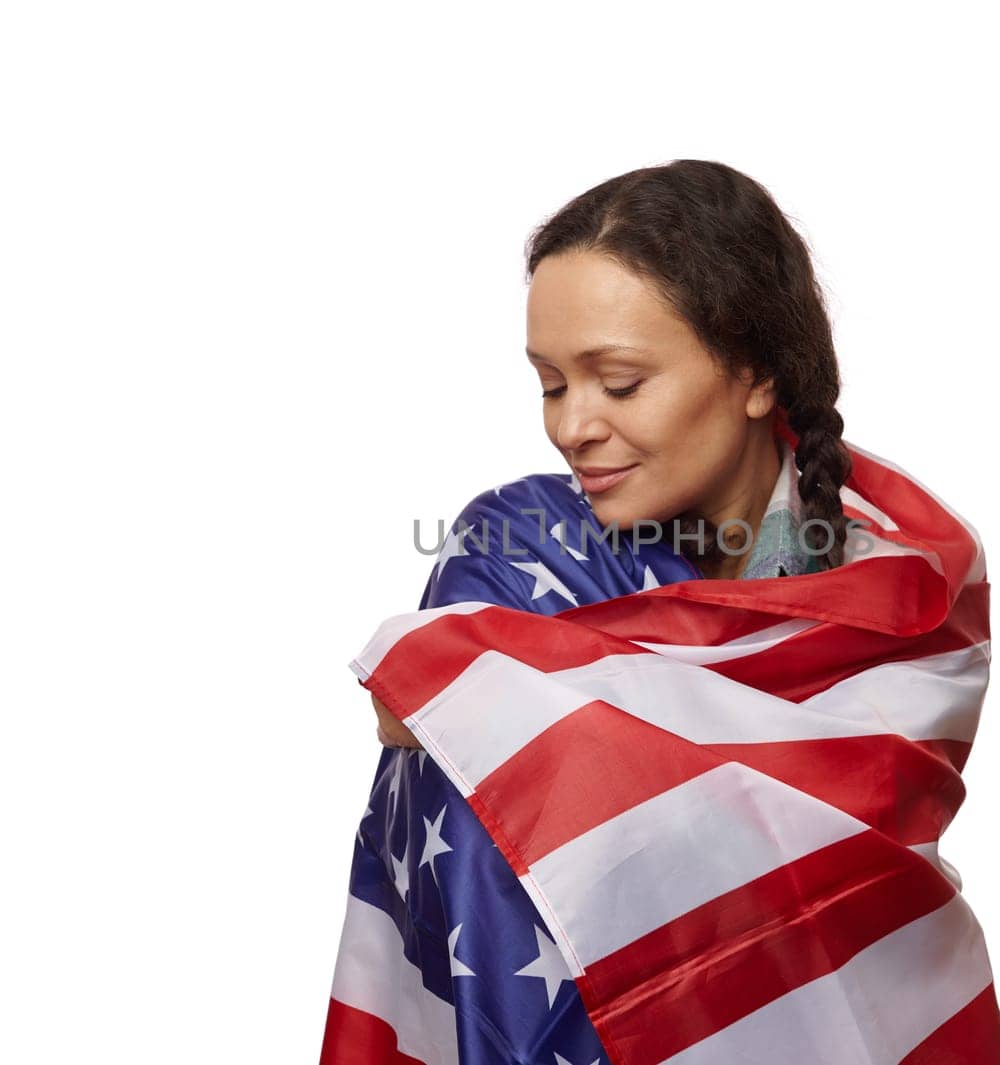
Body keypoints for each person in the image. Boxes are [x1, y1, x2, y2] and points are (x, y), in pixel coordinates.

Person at [327, 159, 873, 1065]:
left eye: (618, 384)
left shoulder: (893, 585)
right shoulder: (517, 546)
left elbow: (873, 897)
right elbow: (408, 704)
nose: (572, 426)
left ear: (758, 374)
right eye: (550, 383)